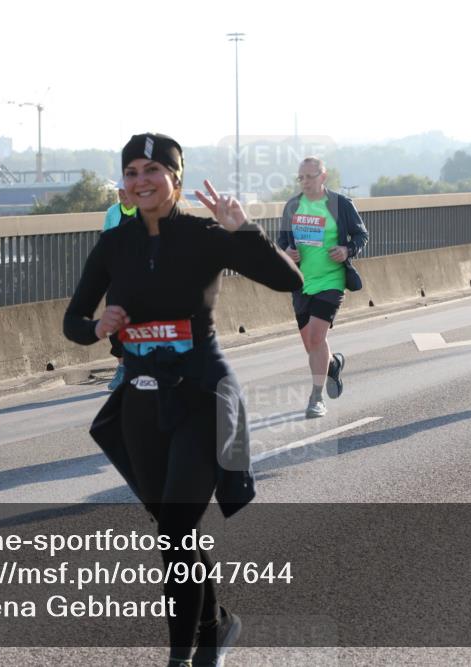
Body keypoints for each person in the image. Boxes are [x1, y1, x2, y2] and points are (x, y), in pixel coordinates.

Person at [63, 133, 302, 666]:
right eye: (132, 172)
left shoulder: (204, 235)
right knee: (175, 529)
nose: (142, 180)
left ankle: (182, 657)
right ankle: (215, 626)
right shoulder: (113, 244)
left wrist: (244, 233)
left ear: (176, 178)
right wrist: (97, 326)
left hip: (200, 394)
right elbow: (73, 322)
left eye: (153, 170)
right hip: (141, 402)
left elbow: (290, 281)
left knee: (174, 527)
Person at [277, 157, 368, 418]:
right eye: (301, 177)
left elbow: (361, 235)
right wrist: (286, 251)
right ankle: (332, 365)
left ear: (323, 177)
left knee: (317, 338)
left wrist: (346, 249)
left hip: (332, 280)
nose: (305, 181)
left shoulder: (340, 204)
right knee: (311, 344)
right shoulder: (293, 205)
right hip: (301, 283)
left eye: (310, 176)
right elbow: (282, 239)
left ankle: (316, 398)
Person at [102, 180, 139, 390]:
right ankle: (122, 369)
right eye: (120, 191)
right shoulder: (112, 213)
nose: (122, 194)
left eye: (126, 191)